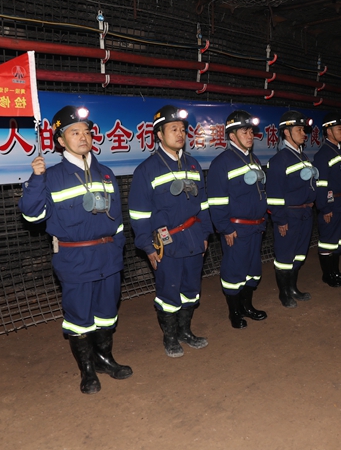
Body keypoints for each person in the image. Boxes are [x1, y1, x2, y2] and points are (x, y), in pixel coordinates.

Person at [19, 105, 132, 394]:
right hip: (75, 259)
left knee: (107, 314)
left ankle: (105, 359)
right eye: (74, 132)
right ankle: (87, 370)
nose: (83, 137)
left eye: (86, 132)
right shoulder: (51, 176)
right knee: (79, 318)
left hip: (108, 257)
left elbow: (118, 220)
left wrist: (118, 250)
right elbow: (32, 216)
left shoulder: (106, 173)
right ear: (60, 140)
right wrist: (36, 179)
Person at [128, 105, 212, 357]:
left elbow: (203, 204)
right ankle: (171, 337)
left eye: (183, 129)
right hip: (166, 242)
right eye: (173, 129)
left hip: (194, 237)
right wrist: (147, 246)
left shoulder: (193, 165)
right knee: (168, 292)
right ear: (159, 135)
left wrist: (205, 234)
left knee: (191, 290)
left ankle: (185, 331)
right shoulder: (147, 170)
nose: (180, 134)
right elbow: (139, 214)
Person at [207, 110, 268, 328]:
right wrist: (225, 228)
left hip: (255, 227)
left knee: (253, 270)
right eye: (245, 132)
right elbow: (216, 201)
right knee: (235, 271)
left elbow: (260, 192)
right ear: (232, 136)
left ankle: (246, 306)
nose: (250, 135)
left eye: (251, 131)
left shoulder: (254, 159)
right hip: (236, 229)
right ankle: (234, 312)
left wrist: (263, 220)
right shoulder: (222, 163)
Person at [266, 111, 317, 307]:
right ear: (287, 133)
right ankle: (284, 293)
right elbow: (274, 195)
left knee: (299, 254)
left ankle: (293, 288)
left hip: (304, 214)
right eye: (299, 130)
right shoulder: (279, 160)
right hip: (289, 215)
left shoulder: (302, 156)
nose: (304, 134)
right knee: (285, 256)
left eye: (304, 130)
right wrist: (280, 220)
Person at [313, 112, 341, 287]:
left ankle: (336, 272)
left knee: (339, 241)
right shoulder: (323, 154)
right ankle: (328, 275)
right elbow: (321, 185)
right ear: (328, 131)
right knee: (328, 242)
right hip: (332, 204)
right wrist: (325, 208)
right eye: (339, 129)